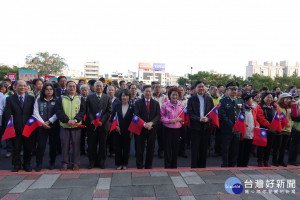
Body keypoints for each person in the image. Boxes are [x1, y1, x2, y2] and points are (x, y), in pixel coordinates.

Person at [3, 80, 35, 172]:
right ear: (15, 87)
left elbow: (33, 113)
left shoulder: (31, 98)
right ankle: (16, 165)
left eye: (24, 86)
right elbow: (7, 114)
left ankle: (27, 164)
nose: (23, 88)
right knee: (16, 148)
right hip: (15, 127)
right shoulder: (10, 99)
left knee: (28, 148)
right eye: (20, 86)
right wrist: (9, 127)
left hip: (28, 128)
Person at [55, 81, 86, 171]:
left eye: (73, 86)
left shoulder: (80, 98)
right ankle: (65, 163)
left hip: (76, 126)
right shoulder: (61, 98)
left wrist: (75, 120)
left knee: (76, 145)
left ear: (76, 88)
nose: (71, 88)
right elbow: (58, 111)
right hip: (65, 125)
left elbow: (83, 111)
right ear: (66, 87)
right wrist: (67, 120)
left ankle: (75, 163)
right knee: (64, 145)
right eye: (70, 86)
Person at [187, 81, 214, 168]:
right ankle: (194, 167)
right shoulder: (191, 99)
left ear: (205, 88)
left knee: (204, 149)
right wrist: (199, 119)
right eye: (199, 87)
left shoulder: (209, 99)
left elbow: (212, 113)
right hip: (195, 127)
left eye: (203, 86)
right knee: (195, 149)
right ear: (195, 88)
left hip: (206, 127)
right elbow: (190, 114)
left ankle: (202, 167)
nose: (201, 88)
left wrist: (208, 119)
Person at [33, 83, 59, 171]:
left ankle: (52, 163)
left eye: (51, 89)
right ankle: (38, 164)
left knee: (53, 146)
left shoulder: (57, 100)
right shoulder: (38, 100)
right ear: (43, 91)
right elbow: (35, 113)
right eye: (47, 89)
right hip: (41, 126)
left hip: (53, 126)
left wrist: (49, 121)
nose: (49, 91)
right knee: (41, 146)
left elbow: (58, 113)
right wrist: (43, 123)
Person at [86, 81, 112, 169]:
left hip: (103, 125)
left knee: (103, 144)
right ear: (94, 87)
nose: (99, 88)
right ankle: (92, 161)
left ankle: (101, 161)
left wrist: (102, 120)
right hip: (92, 125)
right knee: (92, 144)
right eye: (97, 86)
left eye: (100, 86)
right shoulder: (89, 97)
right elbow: (88, 111)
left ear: (103, 87)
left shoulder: (107, 97)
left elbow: (109, 111)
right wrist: (92, 120)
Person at [219, 81, 245, 167]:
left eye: (236, 89)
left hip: (237, 129)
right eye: (232, 89)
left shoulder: (240, 100)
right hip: (227, 129)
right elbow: (222, 115)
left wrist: (239, 125)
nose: (234, 91)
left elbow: (243, 114)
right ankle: (225, 164)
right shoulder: (223, 101)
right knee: (226, 148)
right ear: (227, 90)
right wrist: (232, 126)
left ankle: (232, 165)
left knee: (235, 148)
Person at [134, 85, 160, 169]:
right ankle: (139, 165)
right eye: (146, 91)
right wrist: (144, 124)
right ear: (143, 92)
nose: (148, 93)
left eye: (150, 91)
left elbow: (158, 115)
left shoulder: (155, 103)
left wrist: (151, 123)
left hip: (152, 129)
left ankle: (148, 165)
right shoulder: (138, 102)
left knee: (151, 148)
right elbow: (136, 115)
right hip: (141, 128)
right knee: (140, 148)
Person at [160, 87, 184, 168]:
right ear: (170, 95)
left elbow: (184, 117)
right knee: (167, 149)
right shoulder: (165, 105)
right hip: (167, 129)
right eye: (173, 95)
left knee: (175, 149)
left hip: (177, 130)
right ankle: (167, 166)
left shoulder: (181, 106)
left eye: (176, 95)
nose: (175, 97)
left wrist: (182, 120)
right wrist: (171, 121)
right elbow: (161, 117)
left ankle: (174, 166)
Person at [111, 89, 134, 170]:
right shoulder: (116, 106)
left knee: (126, 148)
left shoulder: (132, 107)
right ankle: (118, 164)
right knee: (118, 148)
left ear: (129, 97)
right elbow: (112, 118)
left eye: (126, 96)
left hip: (128, 131)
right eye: (123, 96)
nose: (125, 97)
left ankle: (124, 163)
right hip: (117, 130)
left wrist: (132, 131)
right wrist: (115, 126)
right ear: (120, 97)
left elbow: (133, 120)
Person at [256, 92, 279, 167]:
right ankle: (260, 160)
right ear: (263, 98)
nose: (270, 99)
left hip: (272, 130)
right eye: (268, 97)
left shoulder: (274, 107)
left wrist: (274, 126)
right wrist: (269, 126)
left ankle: (266, 160)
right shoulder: (260, 106)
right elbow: (261, 118)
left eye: (271, 97)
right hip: (263, 129)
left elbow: (278, 117)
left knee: (269, 146)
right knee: (261, 146)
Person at [237, 93, 259, 167]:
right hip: (243, 132)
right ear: (245, 101)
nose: (252, 100)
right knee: (241, 149)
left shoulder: (252, 109)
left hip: (251, 132)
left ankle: (245, 163)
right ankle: (239, 163)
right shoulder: (241, 109)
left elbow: (254, 119)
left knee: (248, 150)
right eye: (250, 99)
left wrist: (257, 125)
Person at [273, 93, 292, 167]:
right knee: (277, 146)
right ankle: (274, 160)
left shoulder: (290, 107)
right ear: (282, 99)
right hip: (279, 128)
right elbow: (277, 116)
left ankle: (281, 160)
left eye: (289, 99)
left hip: (288, 128)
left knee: (284, 146)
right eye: (286, 98)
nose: (288, 100)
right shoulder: (277, 106)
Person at [152, 82, 168, 158]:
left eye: (159, 87)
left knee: (161, 137)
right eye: (156, 87)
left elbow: (166, 108)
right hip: (153, 119)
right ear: (153, 88)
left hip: (161, 119)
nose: (158, 88)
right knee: (152, 137)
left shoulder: (164, 97)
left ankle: (161, 151)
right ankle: (151, 151)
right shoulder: (150, 96)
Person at [107, 85, 120, 157]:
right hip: (105, 121)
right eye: (109, 90)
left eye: (112, 90)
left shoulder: (117, 100)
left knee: (113, 137)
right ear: (106, 91)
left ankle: (112, 151)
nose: (110, 91)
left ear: (114, 92)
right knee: (105, 138)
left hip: (114, 122)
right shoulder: (104, 98)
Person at [178, 86, 188, 158]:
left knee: (184, 137)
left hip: (184, 122)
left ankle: (182, 151)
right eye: (179, 90)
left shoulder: (187, 100)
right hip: (175, 122)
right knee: (176, 137)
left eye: (182, 90)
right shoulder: (174, 99)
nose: (181, 92)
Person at [79, 84, 90, 155]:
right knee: (81, 136)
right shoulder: (78, 99)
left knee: (89, 136)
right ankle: (81, 150)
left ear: (88, 91)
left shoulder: (91, 98)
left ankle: (89, 149)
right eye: (82, 90)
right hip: (80, 120)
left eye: (85, 90)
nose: (84, 92)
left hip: (89, 120)